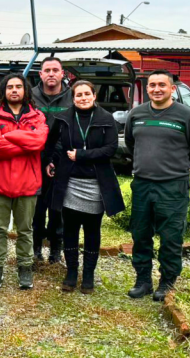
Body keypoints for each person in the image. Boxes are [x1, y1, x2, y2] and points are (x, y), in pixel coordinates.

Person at [125, 70, 190, 301]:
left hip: (173, 187)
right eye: (152, 85)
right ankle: (143, 281)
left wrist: (177, 167)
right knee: (140, 235)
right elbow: (131, 143)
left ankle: (167, 282)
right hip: (142, 185)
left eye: (162, 85)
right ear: (148, 88)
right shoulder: (137, 114)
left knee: (171, 237)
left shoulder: (187, 116)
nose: (156, 89)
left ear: (172, 89)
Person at [43, 80, 125, 294]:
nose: (83, 98)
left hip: (96, 185)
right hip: (69, 182)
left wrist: (82, 155)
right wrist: (49, 161)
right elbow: (49, 143)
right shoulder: (62, 118)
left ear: (94, 95)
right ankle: (71, 273)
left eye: (87, 94)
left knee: (91, 230)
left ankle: (88, 275)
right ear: (73, 97)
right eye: (78, 95)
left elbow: (111, 149)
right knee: (69, 229)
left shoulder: (106, 119)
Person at [0, 73, 48, 290]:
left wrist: (9, 137)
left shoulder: (38, 117)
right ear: (3, 91)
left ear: (25, 90)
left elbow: (39, 141)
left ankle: (25, 270)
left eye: (18, 86)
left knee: (25, 230)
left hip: (28, 183)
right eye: (10, 86)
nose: (14, 90)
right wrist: (24, 142)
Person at [31, 57, 73, 264]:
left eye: (55, 70)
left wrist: (56, 157)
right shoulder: (31, 97)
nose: (51, 74)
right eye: (47, 70)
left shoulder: (72, 97)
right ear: (40, 74)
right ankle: (36, 247)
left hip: (63, 160)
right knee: (36, 207)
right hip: (34, 160)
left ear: (62, 73)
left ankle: (56, 249)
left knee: (58, 207)